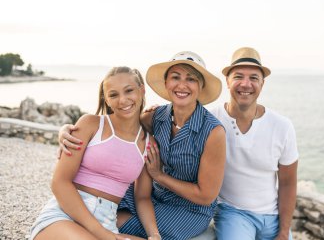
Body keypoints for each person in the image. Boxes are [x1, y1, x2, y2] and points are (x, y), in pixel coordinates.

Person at [57, 51, 226, 240]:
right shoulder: (155, 117)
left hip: (189, 207)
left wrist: (159, 176)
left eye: (191, 79)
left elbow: (206, 196)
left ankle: (93, 229)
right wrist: (66, 130)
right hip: (153, 194)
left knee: (134, 225)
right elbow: (122, 119)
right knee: (104, 200)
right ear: (166, 84)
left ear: (201, 86)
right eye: (175, 77)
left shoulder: (213, 132)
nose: (182, 85)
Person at [30, 67, 160, 240]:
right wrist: (102, 234)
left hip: (107, 222)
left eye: (129, 90)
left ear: (142, 90)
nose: (122, 100)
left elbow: (142, 198)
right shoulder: (90, 124)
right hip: (64, 216)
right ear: (106, 99)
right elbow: (59, 182)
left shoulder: (148, 143)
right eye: (113, 95)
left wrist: (154, 235)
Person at [211, 47, 298, 240]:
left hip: (273, 218)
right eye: (238, 76)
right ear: (227, 80)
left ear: (262, 83)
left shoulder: (282, 126)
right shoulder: (211, 119)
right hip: (233, 213)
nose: (245, 84)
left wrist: (284, 231)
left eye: (254, 78)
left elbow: (288, 183)